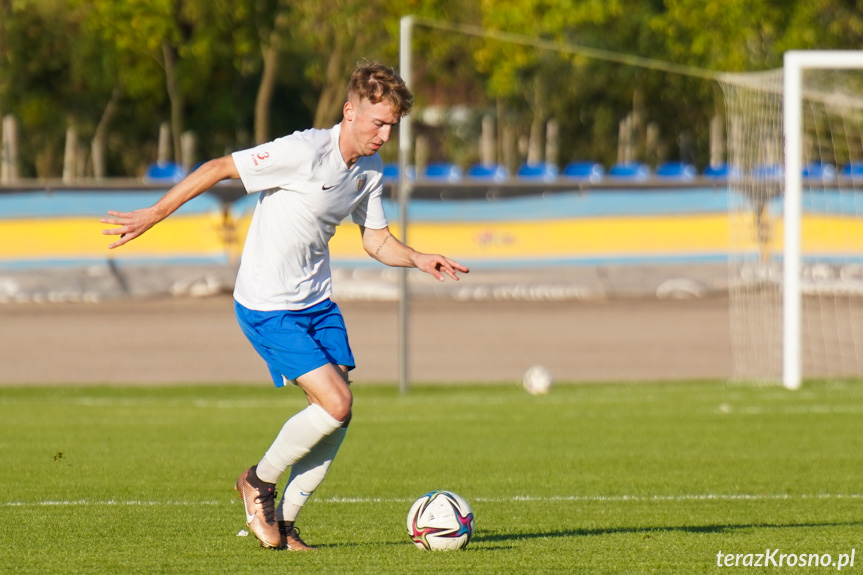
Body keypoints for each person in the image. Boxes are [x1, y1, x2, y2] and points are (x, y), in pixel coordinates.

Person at [101, 62, 468, 551]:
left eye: (392, 126)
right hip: (267, 304)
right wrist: (154, 213)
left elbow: (376, 242)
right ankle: (257, 481)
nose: (384, 134)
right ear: (350, 110)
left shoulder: (371, 172)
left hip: (316, 302)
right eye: (377, 122)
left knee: (340, 410)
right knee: (336, 403)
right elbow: (217, 168)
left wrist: (419, 258)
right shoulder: (303, 151)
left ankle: (287, 524)